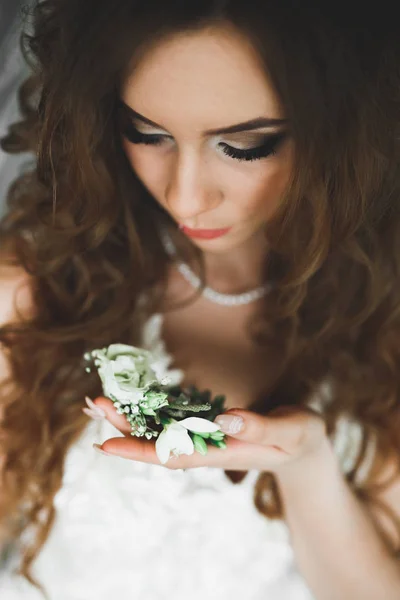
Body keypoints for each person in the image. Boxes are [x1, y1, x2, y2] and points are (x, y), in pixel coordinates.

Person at [0, 1, 399, 598]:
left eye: (245, 146)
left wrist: (303, 461)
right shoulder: (36, 288)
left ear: (342, 131)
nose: (185, 198)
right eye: (147, 134)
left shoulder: (384, 318)